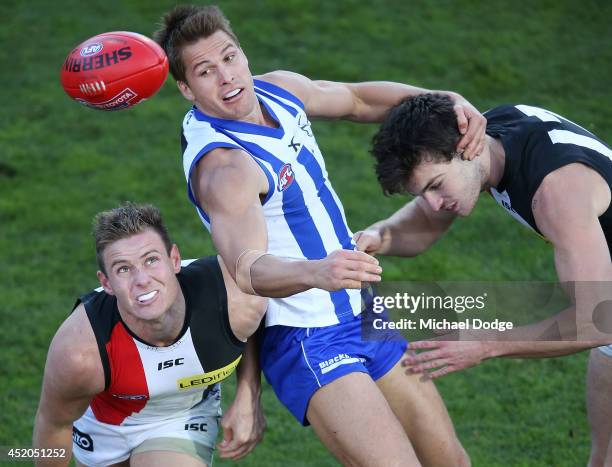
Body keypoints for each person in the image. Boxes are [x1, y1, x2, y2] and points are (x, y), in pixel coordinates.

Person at [154, 5, 487, 466]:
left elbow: (356, 99)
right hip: (306, 337)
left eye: (229, 58)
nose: (226, 77)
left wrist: (445, 99)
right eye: (206, 71)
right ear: (186, 89)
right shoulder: (224, 168)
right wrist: (318, 271)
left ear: (244, 55)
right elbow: (246, 269)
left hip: (361, 306)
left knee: (451, 461)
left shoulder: (280, 91)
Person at [356, 93, 612, 466]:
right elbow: (423, 225)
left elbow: (596, 321)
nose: (433, 204)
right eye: (423, 193)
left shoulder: (557, 193)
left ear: (466, 148)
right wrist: (377, 236)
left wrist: (484, 344)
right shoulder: (491, 134)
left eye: (435, 186)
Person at [32, 203, 267, 467]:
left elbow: (249, 328)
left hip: (180, 419)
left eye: (151, 260)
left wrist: (249, 395)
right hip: (105, 426)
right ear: (106, 283)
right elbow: (54, 425)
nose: (141, 279)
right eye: (123, 269)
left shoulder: (237, 299)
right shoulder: (81, 352)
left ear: (175, 259)